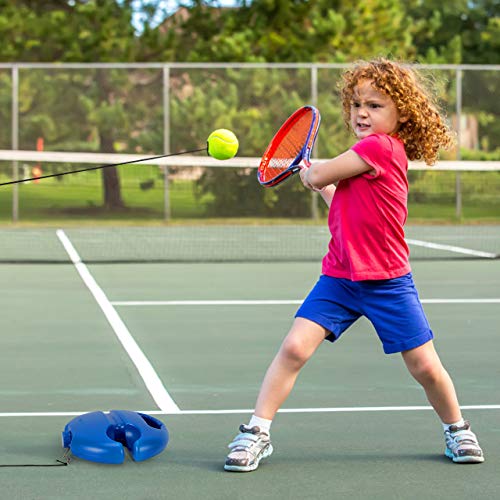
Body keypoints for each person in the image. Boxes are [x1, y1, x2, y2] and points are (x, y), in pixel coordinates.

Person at [224, 58, 484, 472]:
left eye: (376, 105)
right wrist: (322, 184)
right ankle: (255, 432)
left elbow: (320, 175)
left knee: (424, 366)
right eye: (357, 103)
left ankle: (458, 429)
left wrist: (311, 175)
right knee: (293, 348)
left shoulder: (378, 147)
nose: (362, 112)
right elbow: (339, 201)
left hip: (388, 281)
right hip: (340, 278)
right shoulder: (364, 158)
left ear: (402, 114)